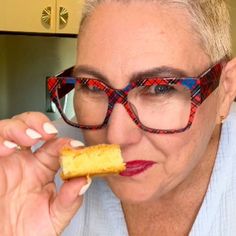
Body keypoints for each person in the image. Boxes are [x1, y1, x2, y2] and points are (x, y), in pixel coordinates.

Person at [0, 0, 236, 235]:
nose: (116, 136)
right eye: (92, 86)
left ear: (225, 89)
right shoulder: (30, 177)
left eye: (160, 88)